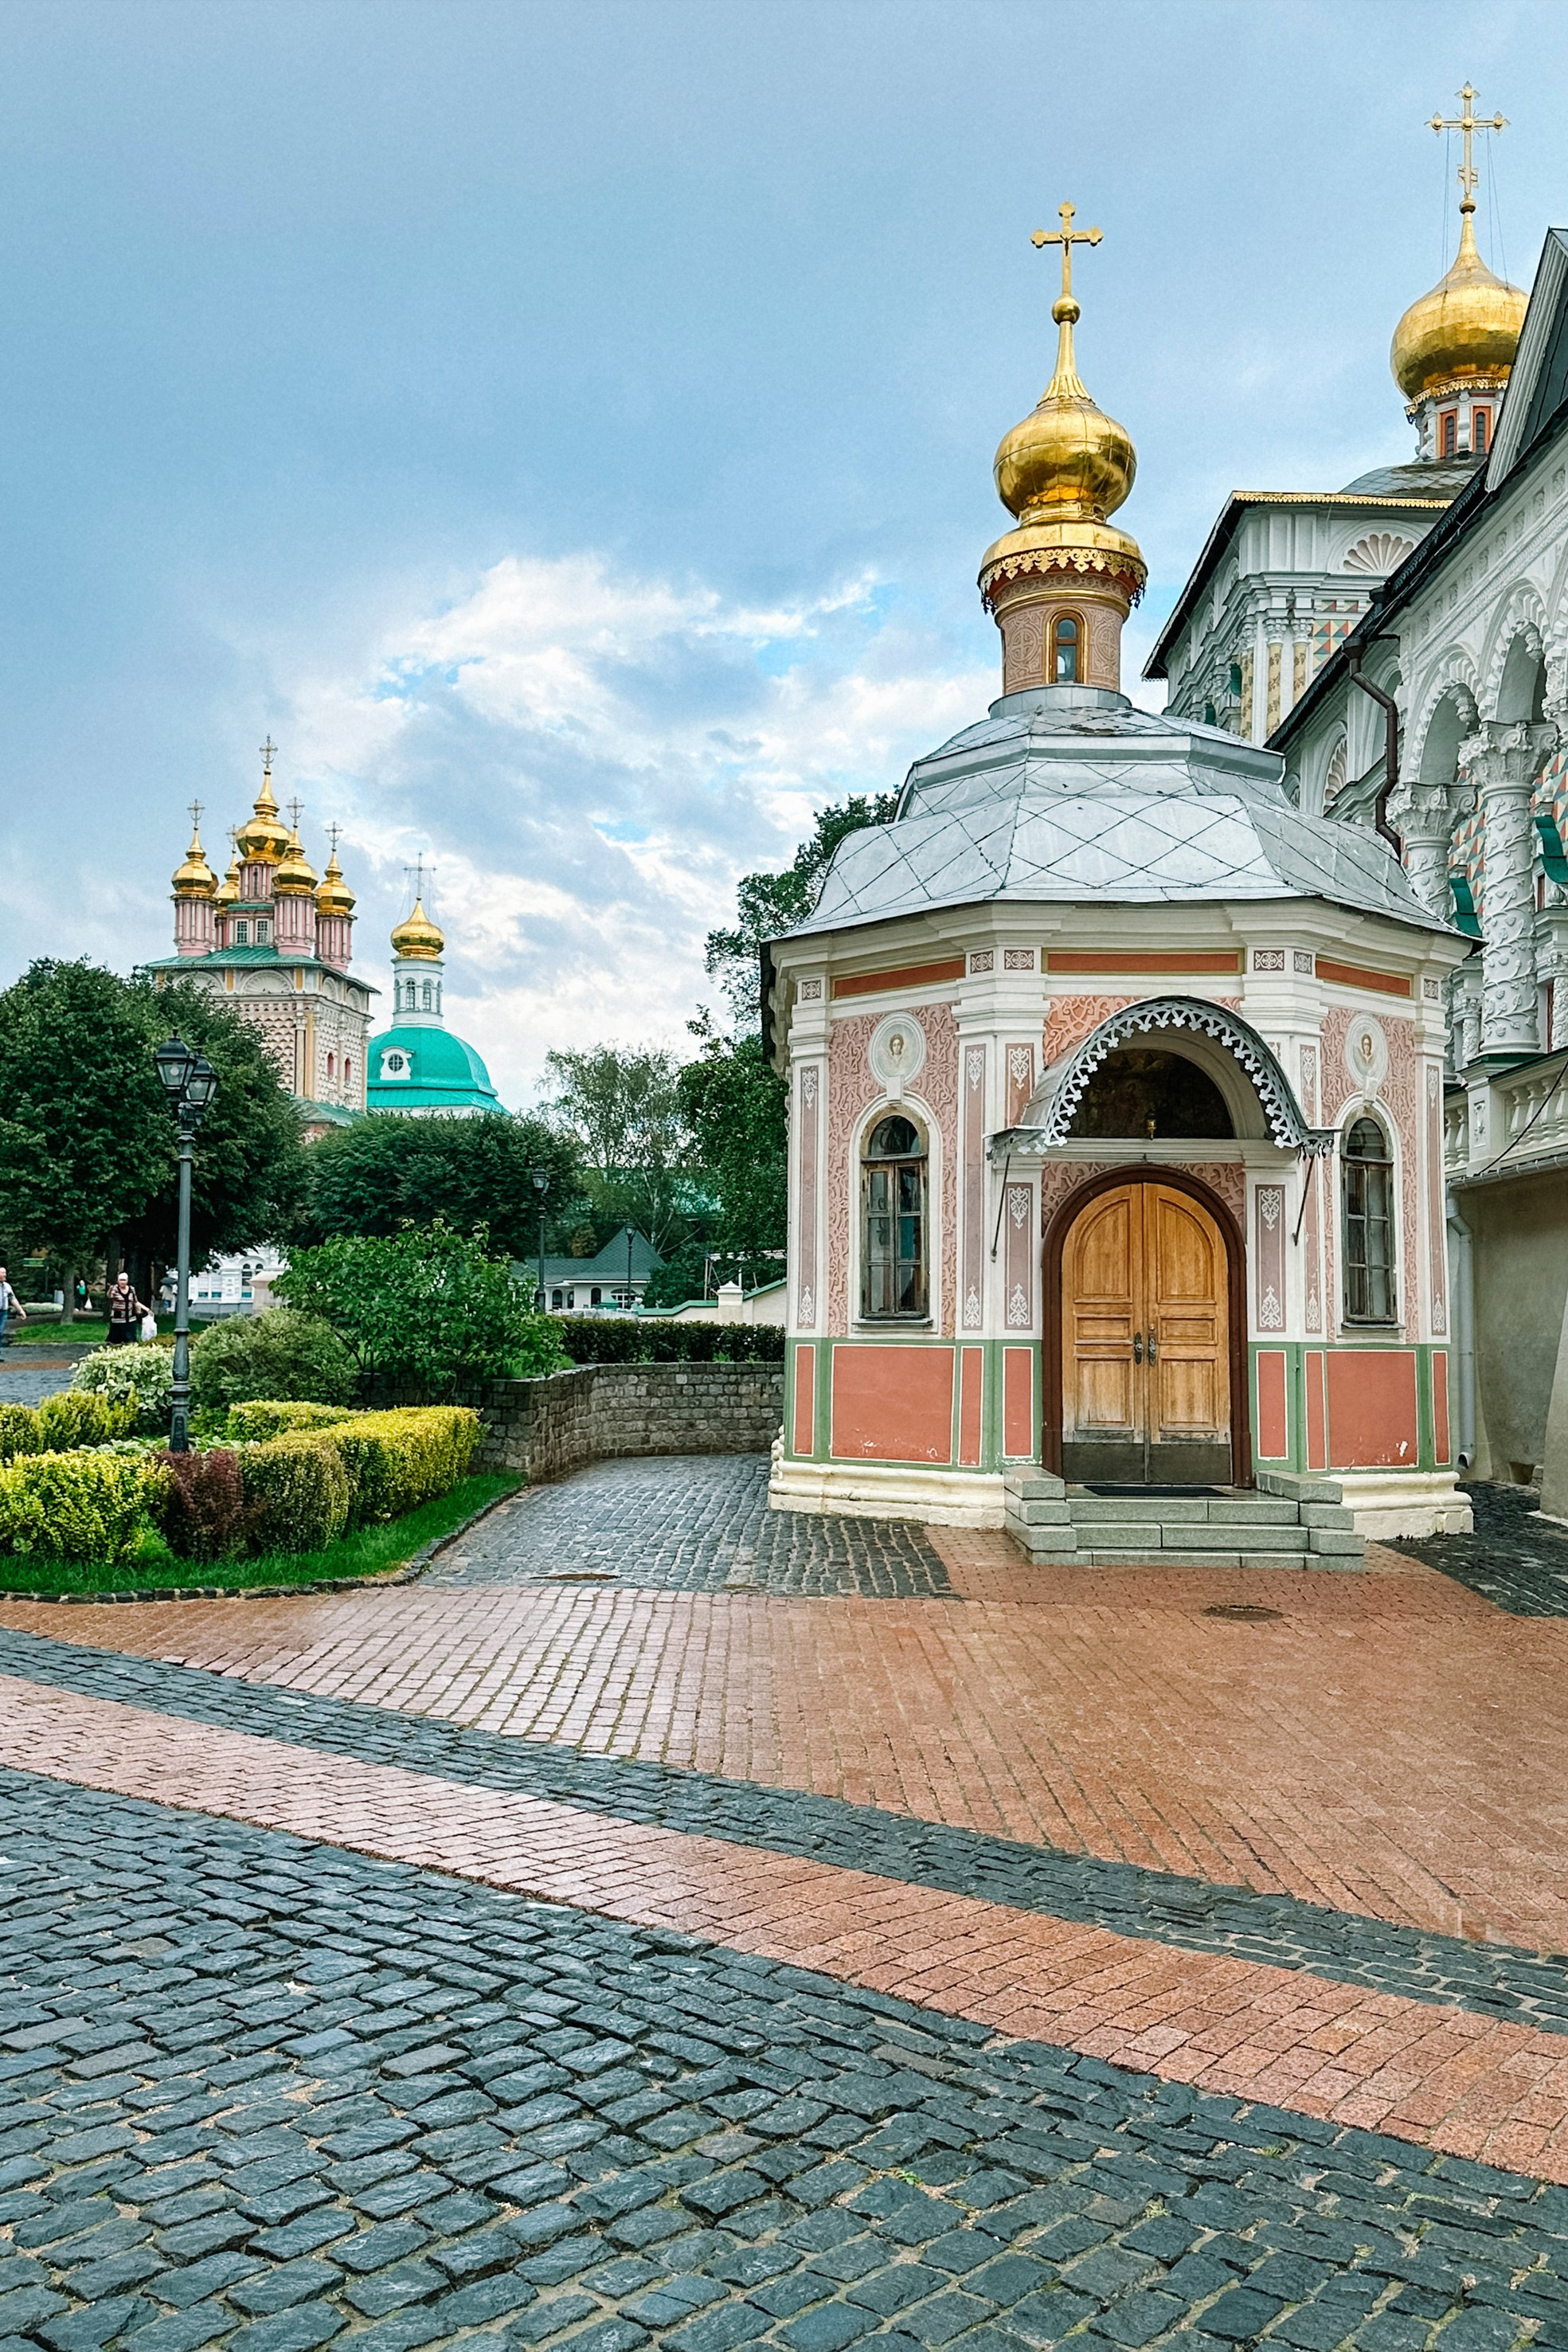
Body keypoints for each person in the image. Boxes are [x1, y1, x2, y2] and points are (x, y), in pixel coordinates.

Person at [105, 1271, 143, 1347]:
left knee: (131, 1339)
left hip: (130, 1317)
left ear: (127, 1281)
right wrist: (110, 1290)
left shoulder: (132, 1289)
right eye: (121, 1280)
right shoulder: (115, 1288)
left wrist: (141, 1309)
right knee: (116, 1339)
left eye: (124, 1280)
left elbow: (135, 1300)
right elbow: (110, 1296)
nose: (122, 1282)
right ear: (118, 1281)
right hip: (118, 1317)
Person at [0, 1267, 25, 1352]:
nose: (5, 1275)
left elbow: (12, 1298)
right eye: (2, 1273)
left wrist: (20, 1310)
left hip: (3, 1312)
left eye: (5, 1273)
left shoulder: (7, 1286)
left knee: (0, 1332)